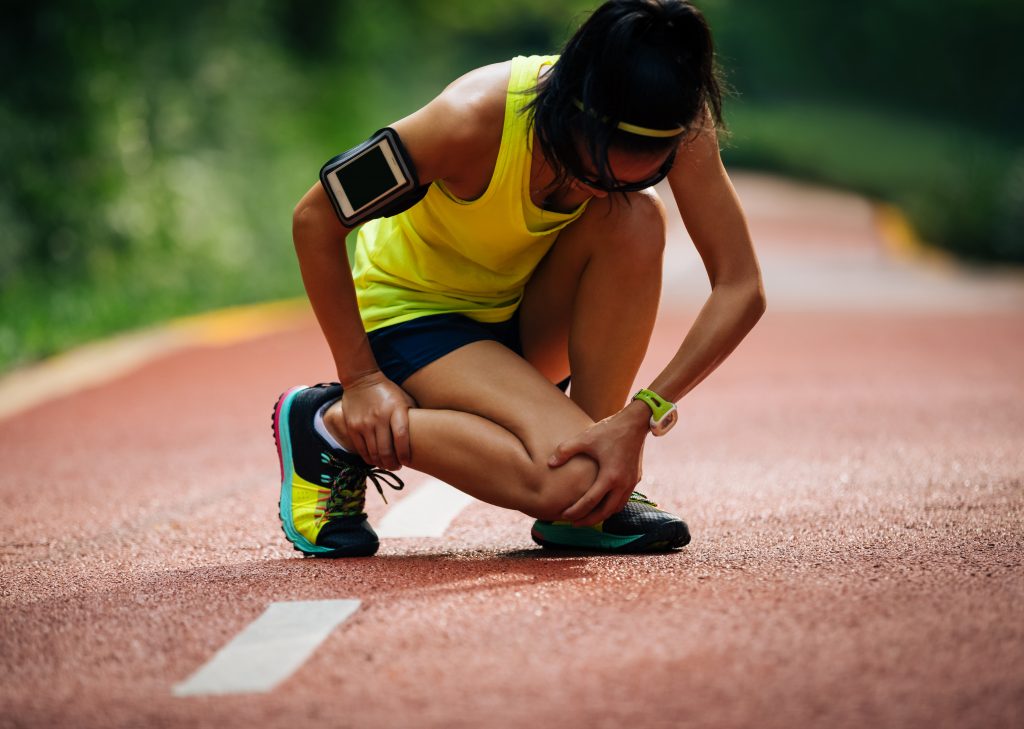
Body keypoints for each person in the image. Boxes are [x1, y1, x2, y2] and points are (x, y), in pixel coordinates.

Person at [273, 0, 765, 557]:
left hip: (518, 315)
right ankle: (330, 426)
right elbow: (314, 218)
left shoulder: (670, 119)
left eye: (640, 173)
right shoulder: (467, 120)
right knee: (573, 481)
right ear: (572, 111)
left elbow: (740, 286)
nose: (596, 192)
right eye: (589, 172)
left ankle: (591, 490)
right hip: (414, 317)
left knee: (636, 217)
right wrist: (361, 378)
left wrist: (636, 417)